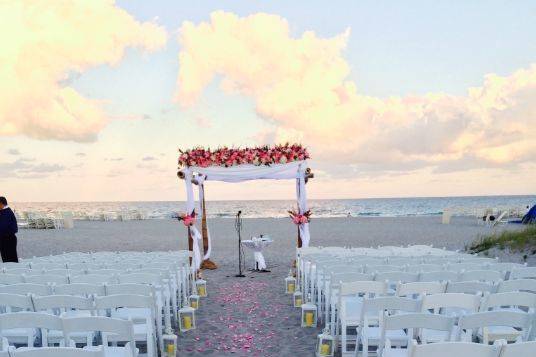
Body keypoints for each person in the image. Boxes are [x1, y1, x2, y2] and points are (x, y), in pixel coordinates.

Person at [0, 197, 19, 262]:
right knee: (7, 259)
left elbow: (2, 226)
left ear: (1, 204)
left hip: (8, 239)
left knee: (10, 260)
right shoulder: (4, 211)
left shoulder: (6, 212)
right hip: (6, 239)